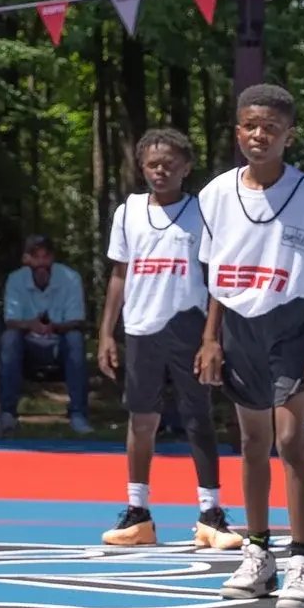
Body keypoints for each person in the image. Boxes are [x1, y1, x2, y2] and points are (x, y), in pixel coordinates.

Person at [195, 82, 304, 608]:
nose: (261, 135)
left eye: (272, 128)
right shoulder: (215, 195)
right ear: (239, 132)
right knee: (252, 441)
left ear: (289, 135)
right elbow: (213, 272)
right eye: (251, 126)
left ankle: (302, 557)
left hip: (292, 323)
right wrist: (211, 336)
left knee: (290, 439)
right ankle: (257, 552)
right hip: (239, 324)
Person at [95, 128, 236, 550]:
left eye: (170, 164)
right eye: (153, 164)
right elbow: (119, 275)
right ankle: (138, 513)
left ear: (186, 168)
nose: (161, 170)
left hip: (188, 327)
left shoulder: (202, 213)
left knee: (198, 417)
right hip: (141, 328)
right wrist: (106, 332)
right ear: (141, 167)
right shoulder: (129, 212)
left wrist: (212, 337)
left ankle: (211, 513)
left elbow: (216, 280)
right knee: (141, 420)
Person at [0, 236, 92, 435]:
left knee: (75, 339)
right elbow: (10, 320)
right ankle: (7, 413)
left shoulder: (70, 278)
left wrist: (54, 327)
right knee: (9, 339)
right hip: (27, 345)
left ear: (53, 258)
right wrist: (31, 325)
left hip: (58, 343)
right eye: (35, 257)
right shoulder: (16, 279)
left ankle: (78, 414)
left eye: (45, 256)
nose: (41, 262)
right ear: (26, 259)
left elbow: (76, 319)